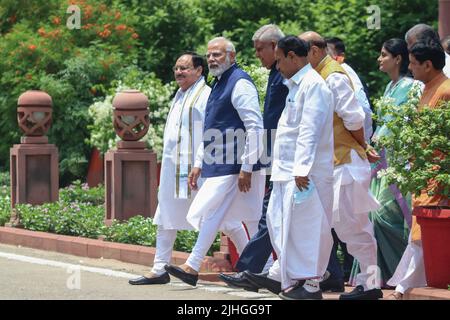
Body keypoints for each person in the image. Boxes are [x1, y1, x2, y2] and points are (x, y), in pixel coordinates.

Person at [164, 37, 265, 286]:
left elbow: (255, 126)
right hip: (218, 162)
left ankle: (193, 265)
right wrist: (199, 162)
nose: (211, 59)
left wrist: (247, 167)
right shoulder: (219, 83)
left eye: (217, 55)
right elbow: (210, 127)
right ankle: (263, 270)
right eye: (209, 55)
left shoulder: (240, 83)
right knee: (237, 218)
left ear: (232, 56)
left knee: (216, 213)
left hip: (234, 164)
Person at [245, 35, 335, 300]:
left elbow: (310, 129)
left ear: (293, 57)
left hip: (305, 174)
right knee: (279, 224)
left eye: (280, 59)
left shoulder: (314, 85)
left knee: (309, 229)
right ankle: (293, 277)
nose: (278, 65)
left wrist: (302, 168)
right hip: (286, 172)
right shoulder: (296, 85)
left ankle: (312, 285)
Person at [299, 31, 383, 300]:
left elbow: (355, 117)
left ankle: (371, 286)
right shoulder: (316, 75)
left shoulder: (333, 75)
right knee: (329, 227)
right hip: (331, 165)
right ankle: (313, 282)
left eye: (301, 53)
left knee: (354, 229)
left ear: (314, 50)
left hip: (345, 163)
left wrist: (363, 145)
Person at [128, 52, 211, 285]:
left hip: (197, 169)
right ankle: (159, 268)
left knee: (218, 217)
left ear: (199, 70)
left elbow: (208, 133)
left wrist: (198, 163)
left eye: (184, 68)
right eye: (176, 68)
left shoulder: (205, 96)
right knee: (164, 214)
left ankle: (258, 267)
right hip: (173, 169)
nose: (179, 72)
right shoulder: (181, 94)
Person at [218, 24, 289, 292]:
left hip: (285, 156)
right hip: (274, 154)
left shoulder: (286, 76)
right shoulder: (276, 73)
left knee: (270, 214)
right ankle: (330, 271)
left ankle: (249, 268)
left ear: (275, 47)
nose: (257, 55)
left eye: (261, 49)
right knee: (274, 215)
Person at [386, 39, 450, 300]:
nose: (410, 68)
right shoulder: (426, 88)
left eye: (413, 63)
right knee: (422, 231)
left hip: (439, 173)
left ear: (428, 64)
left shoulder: (445, 91)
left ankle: (402, 289)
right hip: (424, 173)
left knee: (425, 231)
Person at [350, 39, 414, 287]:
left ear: (398, 59)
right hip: (380, 163)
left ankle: (406, 271)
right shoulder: (390, 86)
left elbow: (407, 124)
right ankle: (384, 276)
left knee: (386, 218)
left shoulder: (411, 87)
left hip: (397, 164)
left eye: (384, 54)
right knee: (373, 217)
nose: (379, 59)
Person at [325, 37, 373, 141]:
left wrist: (363, 141)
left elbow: (363, 108)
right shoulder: (327, 72)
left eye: (327, 52)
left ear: (340, 57)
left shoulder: (340, 72)